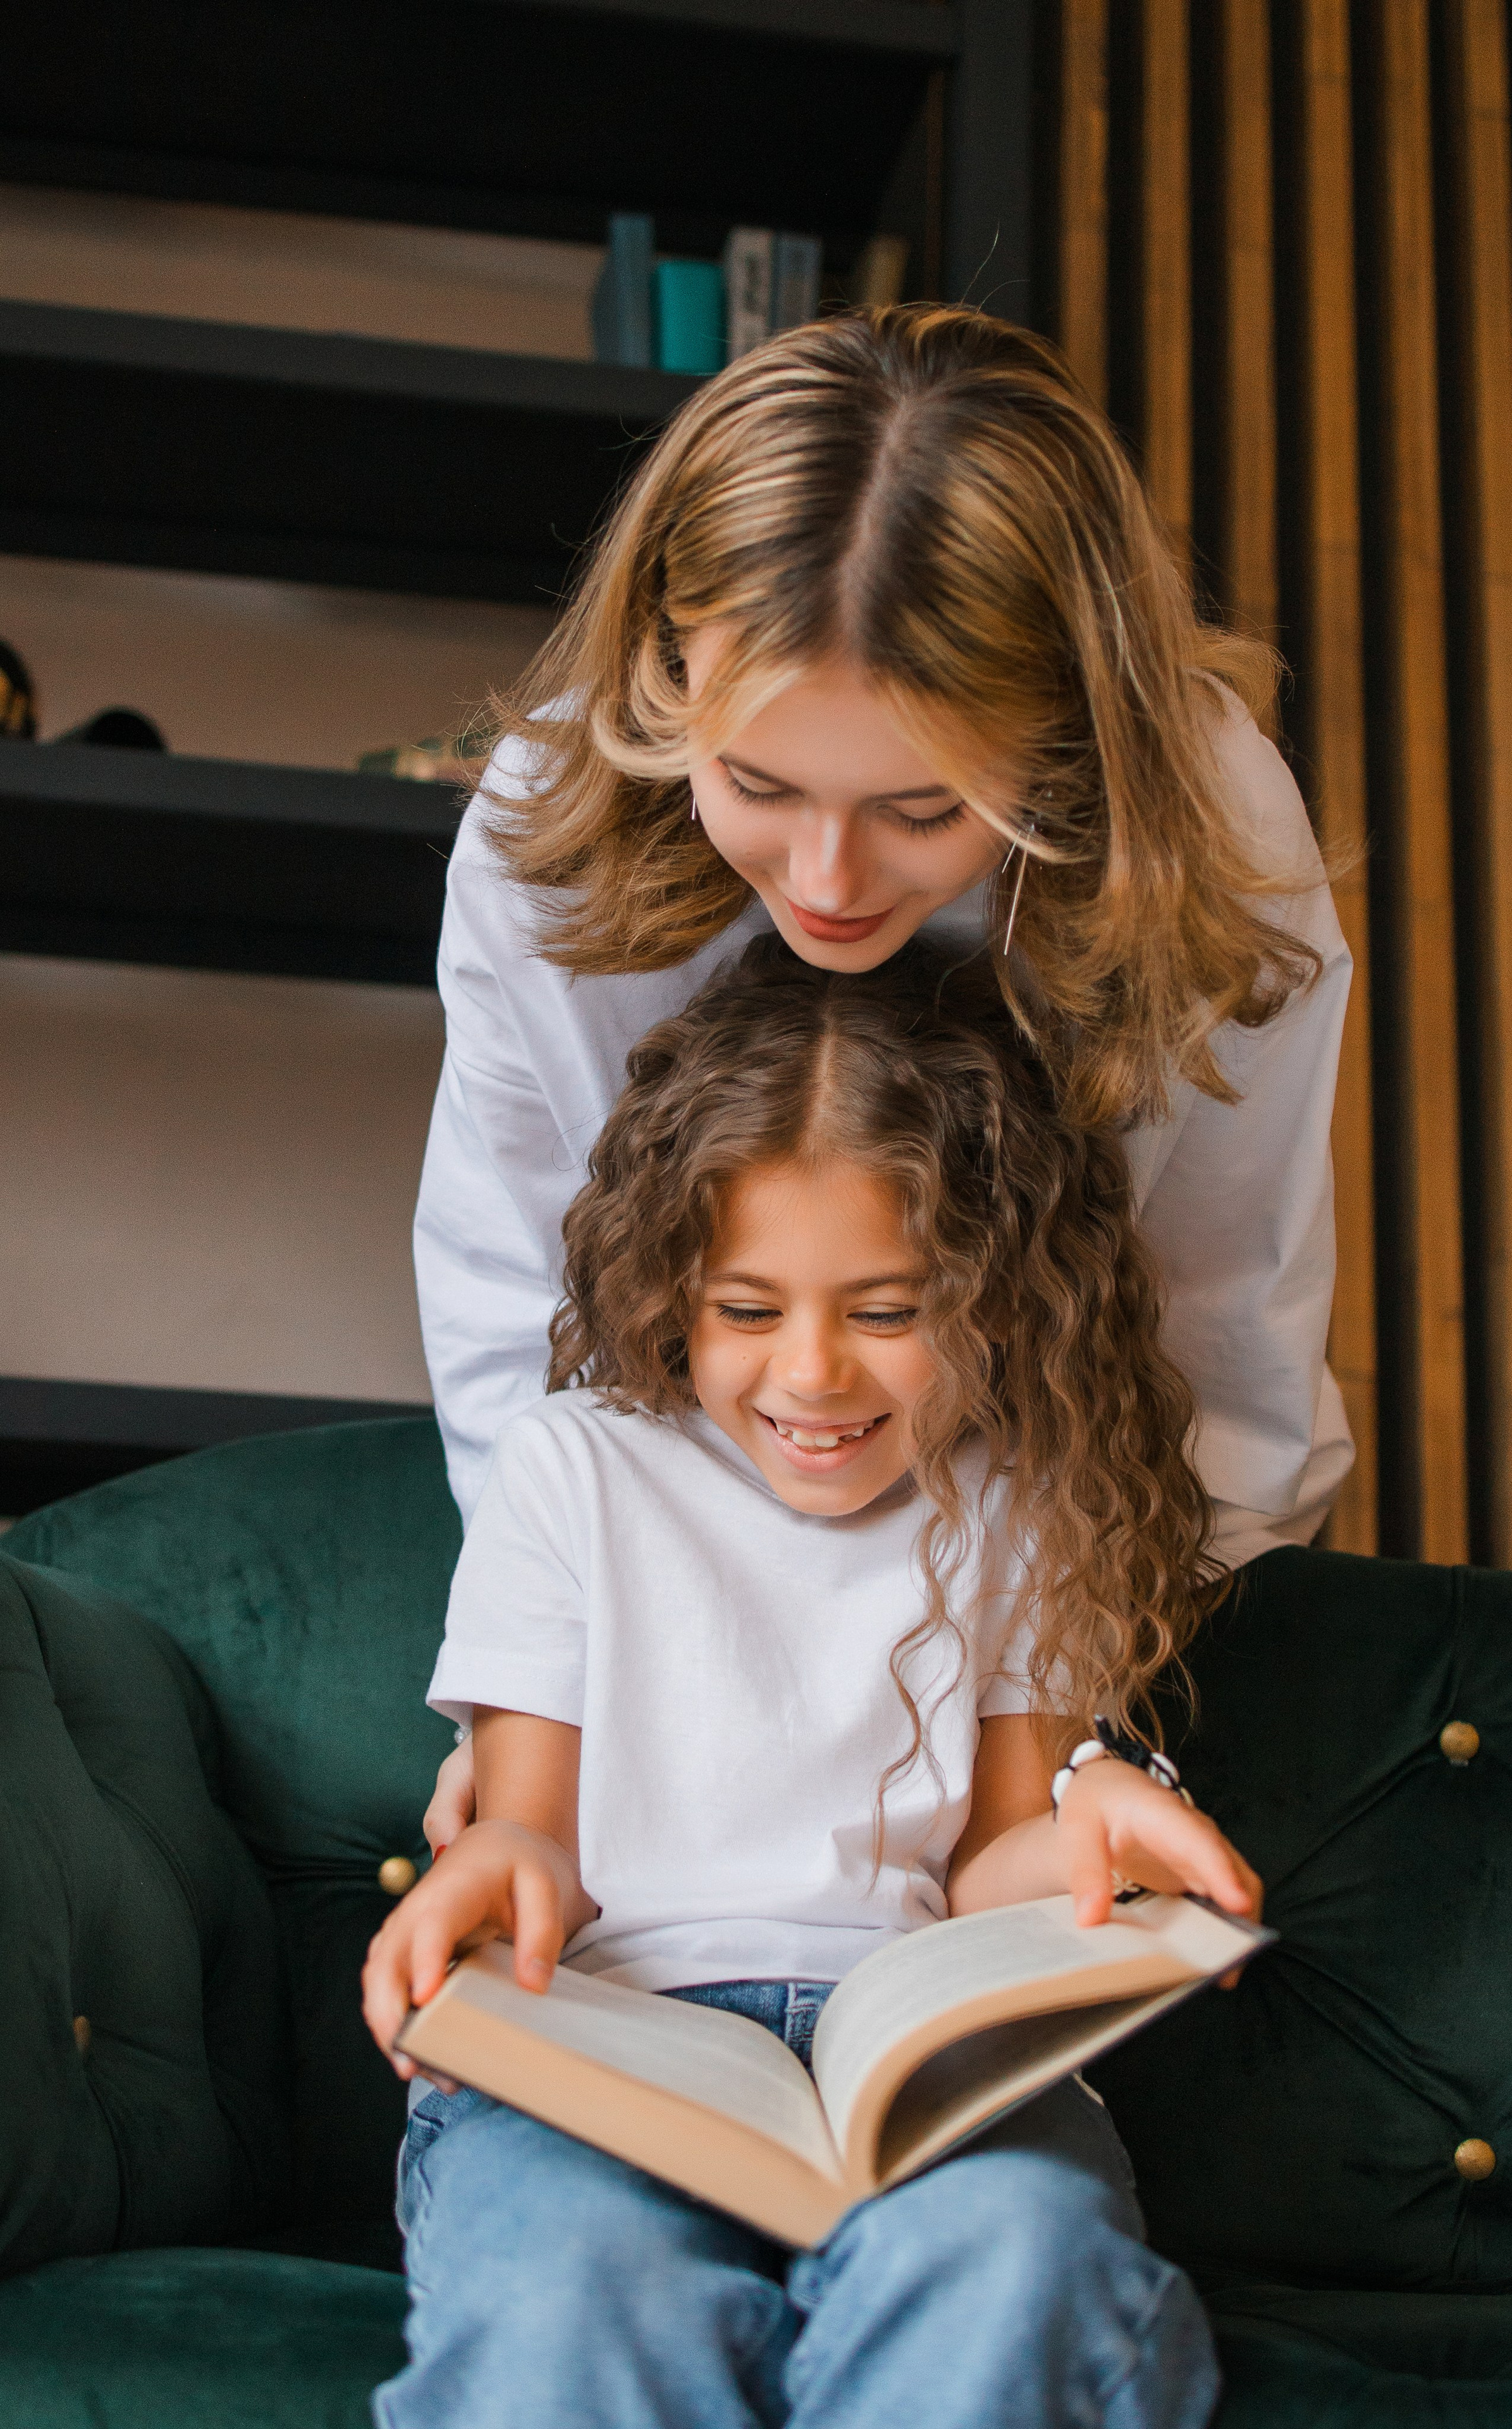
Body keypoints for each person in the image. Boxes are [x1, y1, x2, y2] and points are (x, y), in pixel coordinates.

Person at [415, 302, 1351, 1845]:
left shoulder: (1210, 823)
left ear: (1068, 733)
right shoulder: (545, 832)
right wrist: (545, 1703)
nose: (827, 881)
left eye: (922, 810)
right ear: (665, 676)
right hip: (674, 1565)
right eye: (756, 784)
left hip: (1060, 1547)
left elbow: (1218, 1298)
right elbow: (518, 1286)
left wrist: (1088, 1709)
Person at [365, 937, 1262, 2429]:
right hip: (611, 2051)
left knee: (1016, 2262)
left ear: (996, 1296)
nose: (811, 1375)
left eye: (887, 1312)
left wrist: (1096, 1825)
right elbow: (530, 1835)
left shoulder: (1019, 1499)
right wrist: (484, 1877)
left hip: (918, 2063)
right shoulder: (572, 1467)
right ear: (672, 1287)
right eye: (746, 1309)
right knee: (567, 2288)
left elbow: (991, 1865)